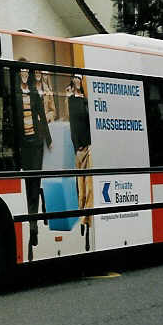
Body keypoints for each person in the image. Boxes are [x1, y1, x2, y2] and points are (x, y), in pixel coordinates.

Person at [14, 60, 51, 259]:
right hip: (24, 144)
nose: (25, 75)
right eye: (21, 72)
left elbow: (41, 115)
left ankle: (34, 225)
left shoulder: (34, 92)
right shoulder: (14, 93)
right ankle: (30, 220)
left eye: (26, 72)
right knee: (28, 185)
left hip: (36, 142)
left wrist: (48, 139)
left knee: (35, 183)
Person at [67, 74, 93, 251]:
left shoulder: (86, 100)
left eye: (79, 78)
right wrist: (76, 147)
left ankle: (87, 222)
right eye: (75, 78)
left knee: (89, 187)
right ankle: (83, 223)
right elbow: (72, 126)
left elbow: (90, 123)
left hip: (89, 147)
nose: (77, 81)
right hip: (78, 149)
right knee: (81, 189)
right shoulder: (70, 100)